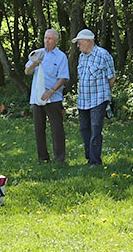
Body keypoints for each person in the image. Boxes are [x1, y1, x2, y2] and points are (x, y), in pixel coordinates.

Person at [24, 29, 69, 163]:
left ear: (56, 41)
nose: (46, 41)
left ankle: (59, 158)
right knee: (39, 128)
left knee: (57, 129)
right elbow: (27, 71)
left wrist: (51, 91)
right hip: (37, 97)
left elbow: (63, 77)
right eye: (45, 38)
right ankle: (42, 157)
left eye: (49, 39)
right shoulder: (37, 53)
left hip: (53, 98)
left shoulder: (61, 57)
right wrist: (34, 63)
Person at [72, 28, 115, 166]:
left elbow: (111, 77)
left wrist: (105, 94)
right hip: (83, 100)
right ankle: (89, 157)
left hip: (99, 98)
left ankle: (95, 162)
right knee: (84, 129)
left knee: (95, 129)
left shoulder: (103, 55)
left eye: (79, 43)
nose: (78, 46)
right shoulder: (82, 57)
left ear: (88, 41)